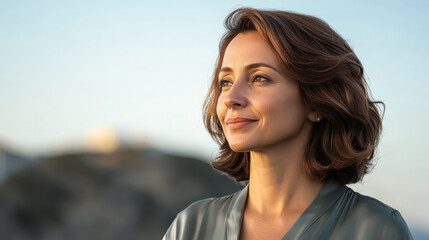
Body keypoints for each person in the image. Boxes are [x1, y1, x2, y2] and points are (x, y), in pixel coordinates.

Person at [163, 8, 413, 240]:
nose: (230, 98)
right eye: (225, 82)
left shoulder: (377, 229)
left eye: (260, 78)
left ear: (318, 100)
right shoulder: (191, 227)